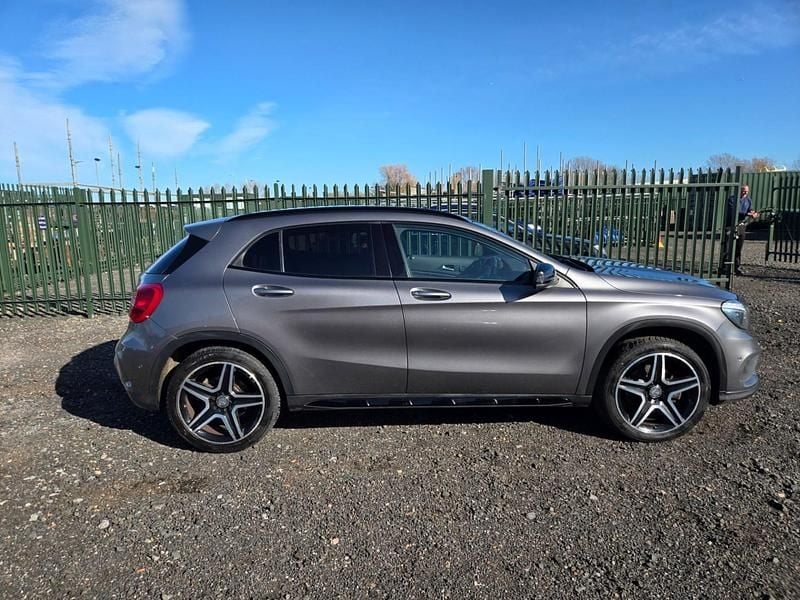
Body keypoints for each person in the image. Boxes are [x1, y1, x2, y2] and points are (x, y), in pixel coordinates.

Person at [725, 185, 758, 276]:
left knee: (739, 247)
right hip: (730, 224)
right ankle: (725, 267)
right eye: (744, 191)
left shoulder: (748, 200)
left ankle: (737, 267)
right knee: (728, 247)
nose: (745, 193)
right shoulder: (732, 199)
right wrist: (747, 214)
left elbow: (750, 209)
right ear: (740, 191)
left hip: (741, 225)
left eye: (747, 191)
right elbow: (734, 211)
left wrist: (753, 212)